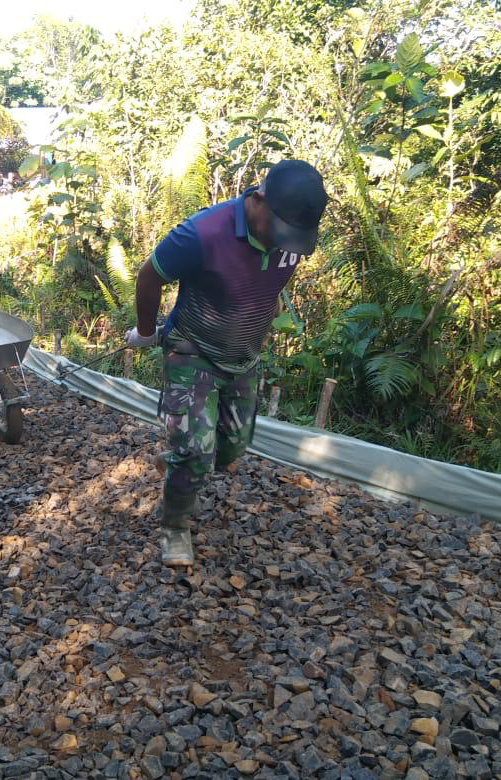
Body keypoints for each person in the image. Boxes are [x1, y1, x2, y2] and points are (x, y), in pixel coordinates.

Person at [125, 160, 328, 567]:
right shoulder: (202, 234)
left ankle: (182, 458)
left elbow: (266, 289)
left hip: (243, 357)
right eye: (281, 232)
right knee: (197, 452)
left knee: (232, 449)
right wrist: (147, 332)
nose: (285, 244)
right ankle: (175, 526)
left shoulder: (290, 235)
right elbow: (149, 277)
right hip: (192, 349)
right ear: (257, 201)